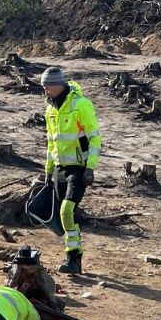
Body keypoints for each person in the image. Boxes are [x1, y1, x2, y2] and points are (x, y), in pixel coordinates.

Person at [40, 66, 100, 277]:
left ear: (58, 84)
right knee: (63, 216)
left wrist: (90, 167)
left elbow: (94, 138)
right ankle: (72, 258)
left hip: (79, 169)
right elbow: (50, 143)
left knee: (66, 211)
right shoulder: (50, 110)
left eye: (47, 85)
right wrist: (48, 171)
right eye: (43, 86)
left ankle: (74, 257)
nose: (44, 89)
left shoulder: (81, 105)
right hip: (59, 169)